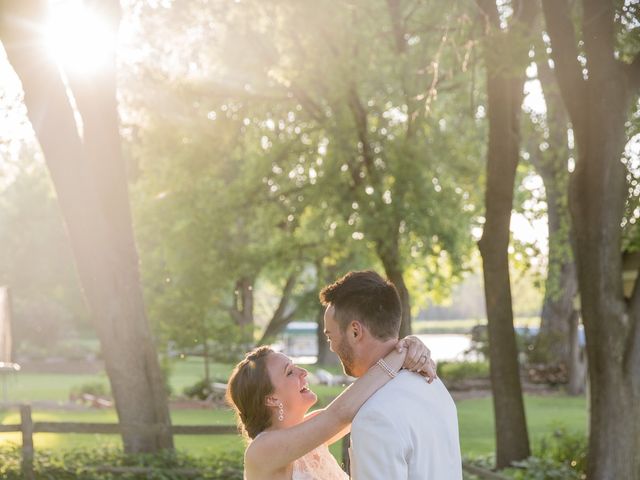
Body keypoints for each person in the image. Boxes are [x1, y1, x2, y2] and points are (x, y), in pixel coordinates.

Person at [226, 331, 436, 479]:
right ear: (271, 399)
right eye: (290, 372)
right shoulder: (261, 450)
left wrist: (410, 346)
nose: (303, 373)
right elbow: (339, 414)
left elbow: (363, 400)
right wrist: (401, 353)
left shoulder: (311, 432)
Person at [320, 270, 463, 479]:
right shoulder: (433, 384)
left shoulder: (374, 415)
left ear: (355, 332)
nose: (331, 347)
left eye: (330, 337)